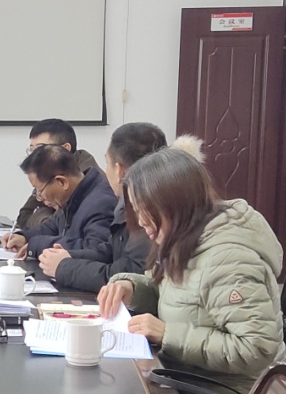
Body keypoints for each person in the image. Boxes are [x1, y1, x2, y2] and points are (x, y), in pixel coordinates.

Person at [97, 147, 286, 394]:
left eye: (147, 211)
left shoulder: (229, 260)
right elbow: (173, 291)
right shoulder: (189, 236)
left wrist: (168, 334)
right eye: (137, 210)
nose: (141, 221)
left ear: (176, 204)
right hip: (192, 384)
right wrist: (131, 287)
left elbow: (256, 346)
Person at [37, 124, 180, 291]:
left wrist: (64, 268)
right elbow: (111, 250)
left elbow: (131, 271)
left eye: (107, 163)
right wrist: (68, 256)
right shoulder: (126, 202)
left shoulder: (150, 211)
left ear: (119, 170)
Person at [2, 144, 114, 260]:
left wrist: (38, 245)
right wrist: (25, 237)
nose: (39, 198)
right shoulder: (73, 196)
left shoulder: (101, 203)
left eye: (40, 190)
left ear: (62, 182)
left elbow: (95, 250)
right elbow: (52, 227)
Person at [15, 119, 99, 231]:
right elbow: (25, 215)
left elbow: (63, 228)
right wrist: (47, 220)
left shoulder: (84, 180)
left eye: (40, 148)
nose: (35, 155)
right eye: (32, 150)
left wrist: (47, 221)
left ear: (65, 149)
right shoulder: (46, 174)